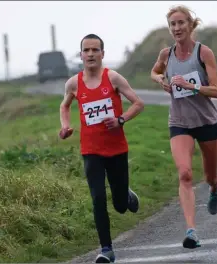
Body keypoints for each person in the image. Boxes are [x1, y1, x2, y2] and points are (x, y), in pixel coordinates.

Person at [59, 33, 144, 263]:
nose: (90, 54)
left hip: (116, 149)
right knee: (97, 198)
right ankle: (106, 249)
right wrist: (65, 126)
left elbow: (138, 103)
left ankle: (125, 195)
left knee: (119, 206)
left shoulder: (113, 78)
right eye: (86, 50)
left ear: (102, 54)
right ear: (81, 55)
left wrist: (121, 120)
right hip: (91, 151)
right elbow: (64, 106)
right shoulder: (74, 83)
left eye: (95, 50)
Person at [150, 5, 217, 249]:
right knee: (185, 173)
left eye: (181, 23)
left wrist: (192, 86)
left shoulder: (204, 53)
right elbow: (155, 71)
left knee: (209, 175)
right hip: (179, 122)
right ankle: (192, 231)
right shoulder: (166, 54)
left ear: (190, 25)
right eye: (173, 24)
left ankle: (214, 186)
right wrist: (161, 80)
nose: (177, 28)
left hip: (206, 121)